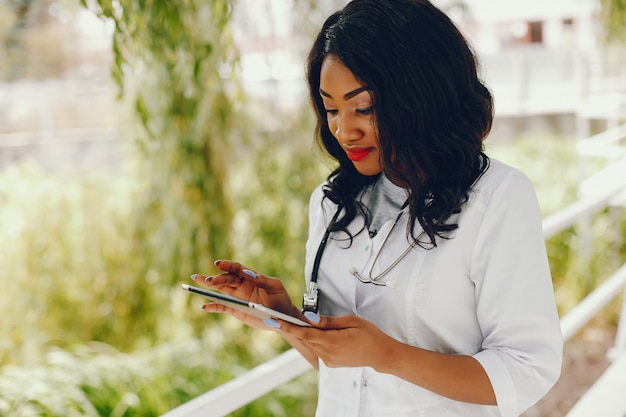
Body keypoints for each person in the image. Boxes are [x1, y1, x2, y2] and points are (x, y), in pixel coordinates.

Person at [191, 0, 563, 416]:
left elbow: (528, 369)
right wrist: (285, 318)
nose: (342, 129)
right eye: (331, 108)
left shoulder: (496, 197)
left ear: (421, 95)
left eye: (362, 107)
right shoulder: (331, 202)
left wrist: (389, 355)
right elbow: (340, 366)